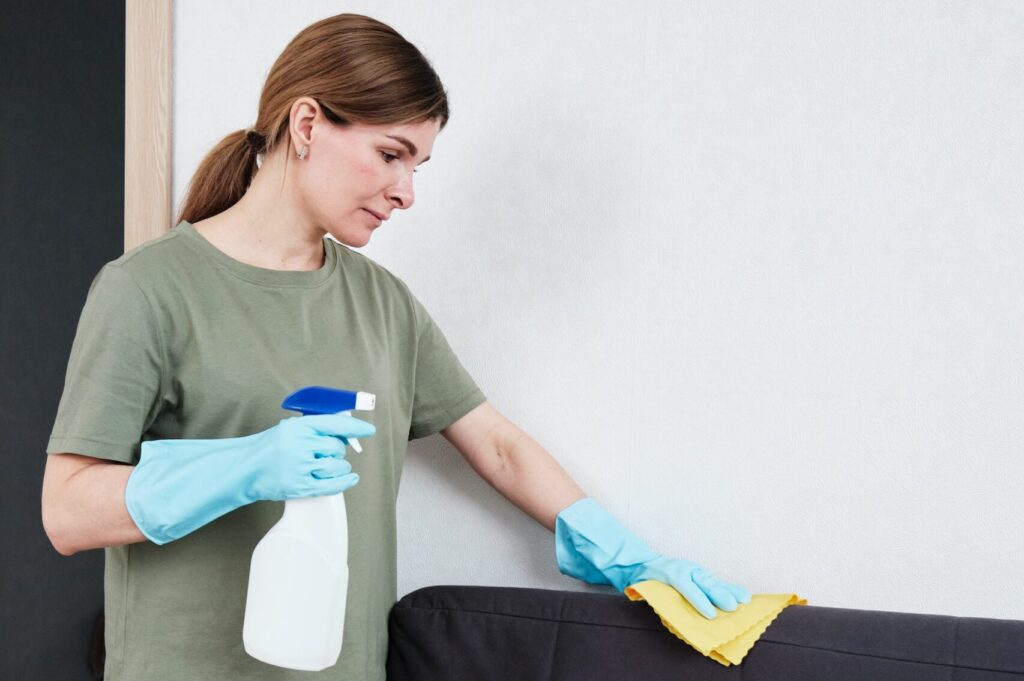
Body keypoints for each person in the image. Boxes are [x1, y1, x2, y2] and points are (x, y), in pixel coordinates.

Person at [40, 13, 750, 681]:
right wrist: (246, 463)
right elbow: (67, 512)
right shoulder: (149, 290)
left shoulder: (383, 304)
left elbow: (496, 444)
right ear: (308, 123)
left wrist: (628, 555)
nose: (406, 192)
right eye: (391, 155)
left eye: (418, 166)